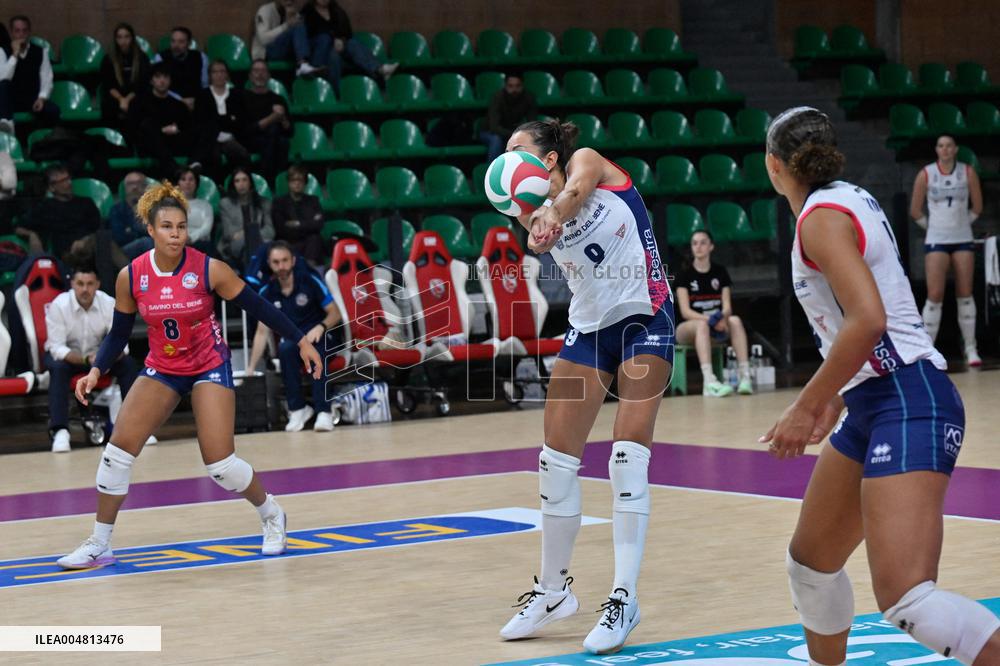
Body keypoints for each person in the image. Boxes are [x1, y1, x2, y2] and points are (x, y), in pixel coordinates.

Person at [761, 107, 1000, 666]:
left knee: (910, 601)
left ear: (774, 166)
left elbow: (868, 319)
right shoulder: (848, 197)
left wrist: (808, 402)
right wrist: (840, 393)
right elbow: (880, 317)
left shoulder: (819, 218)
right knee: (811, 565)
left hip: (908, 398)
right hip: (876, 399)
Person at [59, 181, 323, 569]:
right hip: (163, 367)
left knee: (220, 465)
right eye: (167, 227)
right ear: (150, 229)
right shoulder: (131, 276)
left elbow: (259, 306)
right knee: (116, 454)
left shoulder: (208, 268)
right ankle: (100, 543)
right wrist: (96, 369)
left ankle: (271, 515)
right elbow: (118, 334)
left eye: (181, 227)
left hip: (207, 365)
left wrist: (300, 339)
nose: (175, 234)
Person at [497, 120, 673, 654]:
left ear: (547, 158)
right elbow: (542, 223)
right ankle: (553, 591)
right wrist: (536, 219)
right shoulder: (524, 207)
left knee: (626, 455)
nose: (507, 157)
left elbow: (575, 192)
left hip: (647, 319)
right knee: (554, 461)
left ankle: (624, 597)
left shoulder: (588, 163)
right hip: (589, 331)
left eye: (517, 149)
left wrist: (552, 212)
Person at [43, 266, 140, 453]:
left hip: (101, 358)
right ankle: (61, 430)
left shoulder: (109, 303)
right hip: (70, 359)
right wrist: (86, 360)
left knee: (128, 364)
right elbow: (57, 348)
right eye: (80, 284)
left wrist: (102, 359)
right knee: (58, 367)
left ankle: (135, 428)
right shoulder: (59, 305)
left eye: (89, 284)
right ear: (72, 284)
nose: (85, 289)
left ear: (97, 285)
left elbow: (122, 344)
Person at [247, 241, 341, 431]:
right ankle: (298, 409)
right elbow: (261, 332)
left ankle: (324, 411)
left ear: (293, 261)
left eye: (284, 261)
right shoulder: (266, 292)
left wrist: (321, 327)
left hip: (320, 335)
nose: (281, 266)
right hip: (294, 340)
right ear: (269, 264)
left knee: (317, 349)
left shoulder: (310, 281)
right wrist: (250, 367)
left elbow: (335, 313)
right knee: (285, 348)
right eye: (276, 262)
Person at [909, 134, 984, 367]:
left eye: (949, 145)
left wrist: (960, 225)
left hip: (962, 239)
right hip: (936, 240)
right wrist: (934, 227)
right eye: (941, 146)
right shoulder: (926, 174)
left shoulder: (967, 172)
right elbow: (915, 210)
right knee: (935, 295)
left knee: (965, 293)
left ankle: (971, 348)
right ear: (936, 150)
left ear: (956, 149)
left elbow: (978, 207)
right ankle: (927, 349)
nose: (945, 149)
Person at [674, 229, 753, 397]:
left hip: (717, 325)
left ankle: (745, 377)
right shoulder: (684, 275)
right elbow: (686, 312)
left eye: (703, 242)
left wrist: (722, 318)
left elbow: (727, 306)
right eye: (695, 243)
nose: (698, 247)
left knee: (736, 320)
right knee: (702, 325)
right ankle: (709, 381)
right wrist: (711, 319)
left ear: (711, 246)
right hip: (688, 329)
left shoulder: (720, 272)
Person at [302, 0, 397, 94]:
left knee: (351, 43)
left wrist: (341, 40)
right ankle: (335, 94)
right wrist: (334, 38)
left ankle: (380, 69)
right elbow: (307, 37)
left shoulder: (336, 10)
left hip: (341, 52)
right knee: (333, 54)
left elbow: (348, 32)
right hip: (319, 57)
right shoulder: (308, 11)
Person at [17, 165, 101, 264]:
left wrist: (85, 240)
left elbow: (99, 228)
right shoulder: (45, 207)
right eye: (63, 181)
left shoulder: (86, 202)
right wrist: (32, 235)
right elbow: (18, 227)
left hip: (91, 246)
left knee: (103, 239)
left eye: (68, 178)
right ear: (52, 187)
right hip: (67, 253)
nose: (69, 183)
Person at [131, 63, 195, 178]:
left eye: (165, 77)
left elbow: (187, 127)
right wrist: (160, 131)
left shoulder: (179, 105)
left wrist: (176, 129)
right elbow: (135, 128)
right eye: (158, 77)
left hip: (173, 143)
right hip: (148, 145)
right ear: (151, 81)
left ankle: (182, 166)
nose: (162, 81)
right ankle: (173, 168)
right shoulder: (139, 102)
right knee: (147, 126)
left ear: (170, 80)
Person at [193, 60, 252, 179]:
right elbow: (202, 120)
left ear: (227, 75)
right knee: (213, 156)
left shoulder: (236, 95)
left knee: (242, 155)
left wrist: (219, 120)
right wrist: (228, 119)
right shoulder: (203, 95)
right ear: (210, 75)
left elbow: (240, 121)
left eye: (222, 71)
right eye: (215, 72)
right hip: (210, 138)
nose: (219, 75)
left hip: (231, 137)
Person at [0, 15, 60, 133]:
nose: (21, 34)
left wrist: (42, 98)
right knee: (3, 86)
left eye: (24, 30)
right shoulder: (3, 51)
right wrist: (15, 55)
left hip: (32, 98)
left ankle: (48, 140)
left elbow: (47, 78)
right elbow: (4, 77)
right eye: (17, 31)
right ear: (12, 33)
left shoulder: (40, 51)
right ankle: (7, 125)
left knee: (53, 110)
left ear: (29, 32)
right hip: (10, 98)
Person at [240, 59, 291, 182]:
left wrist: (282, 117)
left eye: (263, 71)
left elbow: (290, 131)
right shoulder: (242, 98)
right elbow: (246, 130)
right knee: (274, 133)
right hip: (250, 141)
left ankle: (270, 180)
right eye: (256, 71)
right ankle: (271, 180)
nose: (260, 74)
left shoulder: (278, 99)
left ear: (268, 76)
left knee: (281, 140)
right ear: (250, 76)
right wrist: (272, 118)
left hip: (273, 140)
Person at [99, 22, 150, 138]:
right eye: (120, 37)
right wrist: (121, 99)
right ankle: (110, 143)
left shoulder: (142, 58)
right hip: (115, 96)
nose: (123, 41)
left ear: (132, 38)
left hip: (135, 96)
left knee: (138, 107)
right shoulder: (108, 59)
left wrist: (127, 100)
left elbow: (142, 84)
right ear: (115, 39)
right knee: (108, 107)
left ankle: (134, 146)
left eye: (127, 36)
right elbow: (108, 84)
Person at [218, 167, 274, 270]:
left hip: (260, 242)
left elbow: (270, 231)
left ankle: (250, 276)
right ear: (233, 184)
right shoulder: (226, 204)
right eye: (237, 181)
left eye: (244, 180)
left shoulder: (264, 203)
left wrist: (248, 233)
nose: (241, 184)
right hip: (234, 246)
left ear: (250, 183)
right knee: (251, 246)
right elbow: (228, 234)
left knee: (253, 246)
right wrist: (251, 233)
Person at [251, 0, 321, 77]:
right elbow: (263, 40)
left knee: (323, 38)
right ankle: (302, 64)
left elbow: (300, 37)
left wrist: (290, 17)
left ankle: (315, 70)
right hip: (266, 53)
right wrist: (287, 25)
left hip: (287, 51)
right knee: (296, 26)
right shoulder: (265, 10)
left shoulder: (292, 9)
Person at [272, 164, 324, 266]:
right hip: (289, 243)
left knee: (315, 238)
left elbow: (319, 224)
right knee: (311, 237)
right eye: (293, 180)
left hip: (310, 245)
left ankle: (310, 272)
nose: (297, 183)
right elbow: (281, 228)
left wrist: (297, 224)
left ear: (305, 183)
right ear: (288, 183)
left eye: (300, 180)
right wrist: (309, 224)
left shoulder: (313, 201)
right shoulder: (279, 203)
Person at [481, 73, 537, 163]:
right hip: (489, 132)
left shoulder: (528, 97)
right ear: (505, 86)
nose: (514, 89)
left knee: (531, 139)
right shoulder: (497, 97)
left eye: (517, 86)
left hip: (512, 132)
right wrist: (515, 135)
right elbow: (494, 127)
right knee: (496, 140)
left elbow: (532, 124)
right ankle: (493, 174)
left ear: (522, 86)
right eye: (510, 86)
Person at [151, 26, 207, 110]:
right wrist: (180, 100)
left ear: (189, 43)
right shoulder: (160, 58)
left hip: (195, 101)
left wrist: (196, 100)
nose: (176, 45)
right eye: (173, 41)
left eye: (181, 42)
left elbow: (205, 84)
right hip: (168, 101)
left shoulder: (201, 57)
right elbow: (158, 86)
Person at [109, 171, 154, 259]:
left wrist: (130, 229)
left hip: (153, 247)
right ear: (125, 188)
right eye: (130, 184)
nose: (134, 187)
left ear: (145, 187)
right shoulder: (117, 210)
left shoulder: (155, 208)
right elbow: (119, 237)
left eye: (139, 183)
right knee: (146, 242)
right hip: (124, 251)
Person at [174, 167, 215, 254]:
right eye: (183, 179)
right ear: (178, 184)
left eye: (191, 179)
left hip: (200, 243)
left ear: (196, 183)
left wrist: (191, 238)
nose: (187, 183)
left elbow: (206, 228)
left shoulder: (205, 205)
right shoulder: (172, 205)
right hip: (176, 241)